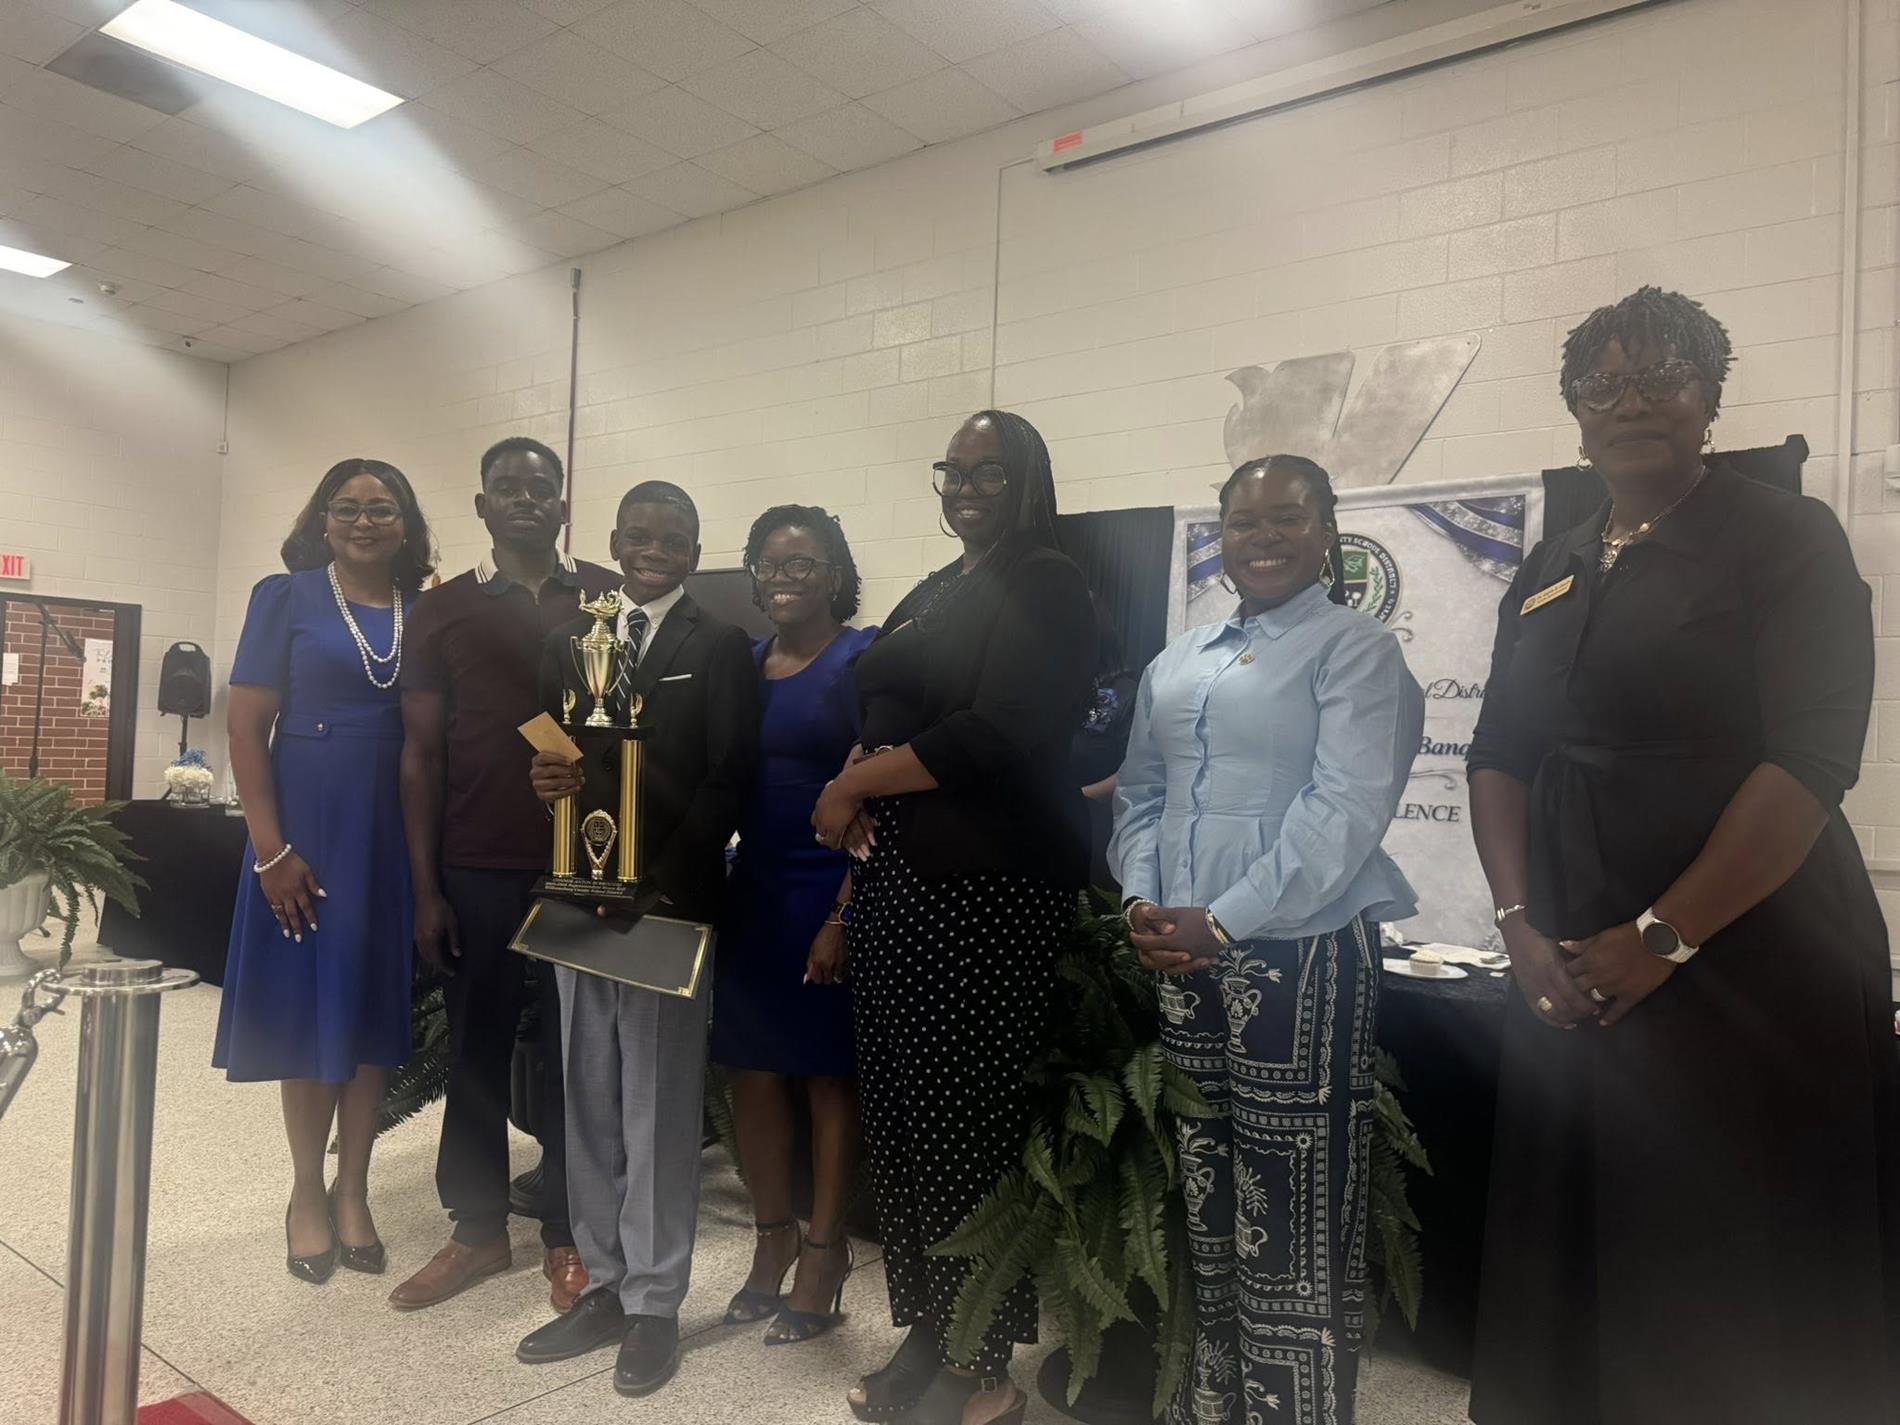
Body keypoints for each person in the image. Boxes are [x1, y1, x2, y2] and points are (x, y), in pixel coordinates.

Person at [1466, 286, 1900, 1424]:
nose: (1631, 400)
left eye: (1661, 375)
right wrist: (1517, 929)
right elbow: (1498, 753)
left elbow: (1811, 759)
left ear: (1709, 397)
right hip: (1569, 951)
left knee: (1726, 1257)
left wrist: (1663, 937)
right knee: (1586, 1234)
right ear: (1573, 414)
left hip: (1754, 954)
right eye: (1601, 384)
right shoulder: (1553, 565)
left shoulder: (1783, 536)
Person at [1112, 454, 1423, 1425]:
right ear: (1221, 537)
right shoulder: (1180, 657)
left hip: (1299, 951)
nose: (1266, 536)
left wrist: (1228, 917)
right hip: (1178, 945)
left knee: (1290, 1206)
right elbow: (1141, 791)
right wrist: (1142, 904)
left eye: (1288, 517)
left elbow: (1345, 807)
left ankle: (1292, 1410)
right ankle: (1213, 1401)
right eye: (1244, 522)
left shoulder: (1353, 649)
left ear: (1327, 530)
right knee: (1204, 1183)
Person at [812, 410, 1095, 1425]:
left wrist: (853, 787)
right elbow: (884, 713)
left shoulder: (1046, 581)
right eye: (954, 470)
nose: (967, 485)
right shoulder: (934, 592)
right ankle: (929, 1333)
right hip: (898, 883)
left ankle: (982, 1367)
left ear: (1028, 479)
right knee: (903, 1126)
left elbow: (1001, 728)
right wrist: (857, 783)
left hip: (985, 890)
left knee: (963, 1131)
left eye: (991, 469)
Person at [515, 480, 759, 1398]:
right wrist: (542, 782)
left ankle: (657, 1303)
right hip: (579, 896)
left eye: (675, 538)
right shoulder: (571, 638)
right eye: (641, 535)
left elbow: (729, 780)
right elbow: (552, 755)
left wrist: (655, 885)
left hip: (667, 905)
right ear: (613, 541)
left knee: (657, 1108)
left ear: (695, 551)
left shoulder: (720, 645)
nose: (655, 549)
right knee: (587, 1094)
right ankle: (607, 1284)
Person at [390, 437, 618, 1315]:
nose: (526, 499)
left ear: (563, 506)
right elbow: (419, 754)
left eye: (542, 487)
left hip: (586, 858)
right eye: (507, 488)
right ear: (481, 506)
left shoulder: (604, 596)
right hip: (477, 857)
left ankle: (568, 1231)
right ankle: (478, 1229)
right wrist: (426, 885)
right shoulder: (441, 610)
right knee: (477, 1043)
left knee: (576, 1049)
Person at [214, 457, 435, 1284]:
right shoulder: (287, 597)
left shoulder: (429, 606)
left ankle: (354, 1188)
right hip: (305, 830)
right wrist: (270, 850)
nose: (365, 519)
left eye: (383, 507)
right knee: (313, 1014)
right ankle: (306, 1190)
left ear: (406, 523)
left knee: (372, 1013)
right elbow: (244, 730)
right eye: (348, 506)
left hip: (391, 831)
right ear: (323, 518)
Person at [712, 504, 875, 1345]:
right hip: (754, 888)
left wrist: (846, 911)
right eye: (769, 563)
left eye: (803, 564)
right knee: (751, 1069)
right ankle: (769, 1239)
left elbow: (880, 792)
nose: (784, 578)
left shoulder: (863, 656)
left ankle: (823, 1250)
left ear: (836, 572)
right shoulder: (742, 664)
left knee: (824, 1075)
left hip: (828, 890)